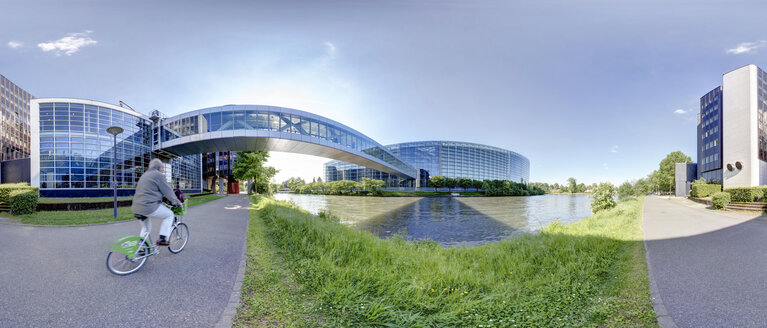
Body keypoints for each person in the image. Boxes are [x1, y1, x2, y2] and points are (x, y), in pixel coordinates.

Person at [132, 158, 182, 246]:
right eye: (162, 168)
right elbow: (168, 190)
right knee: (169, 215)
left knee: (146, 228)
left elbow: (149, 190)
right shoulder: (158, 175)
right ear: (159, 168)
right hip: (148, 206)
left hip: (136, 207)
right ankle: (162, 239)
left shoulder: (145, 175)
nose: (162, 169)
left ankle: (141, 248)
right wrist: (177, 202)